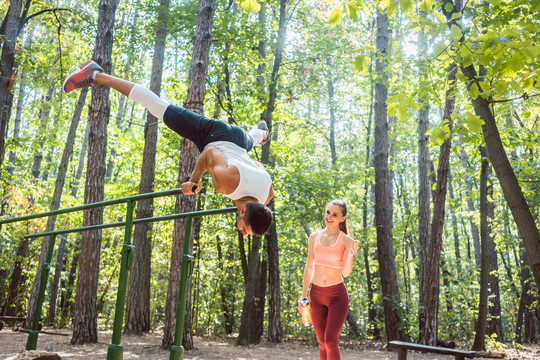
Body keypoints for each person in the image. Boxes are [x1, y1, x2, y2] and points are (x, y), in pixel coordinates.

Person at [63, 60, 273, 236]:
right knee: (156, 106)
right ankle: (96, 74)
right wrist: (193, 180)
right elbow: (209, 151)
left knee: (251, 140)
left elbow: (258, 169)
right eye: (246, 230)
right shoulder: (226, 186)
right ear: (243, 211)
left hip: (240, 142)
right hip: (215, 135)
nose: (243, 233)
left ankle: (263, 133)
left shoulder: (265, 197)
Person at [299, 200, 359, 360]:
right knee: (321, 343)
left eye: (335, 214)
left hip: (337, 296)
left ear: (342, 218)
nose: (329, 216)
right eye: (328, 212)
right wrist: (304, 294)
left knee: (330, 341)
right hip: (316, 295)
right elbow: (309, 266)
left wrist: (351, 255)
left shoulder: (347, 240)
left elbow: (345, 272)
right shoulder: (314, 237)